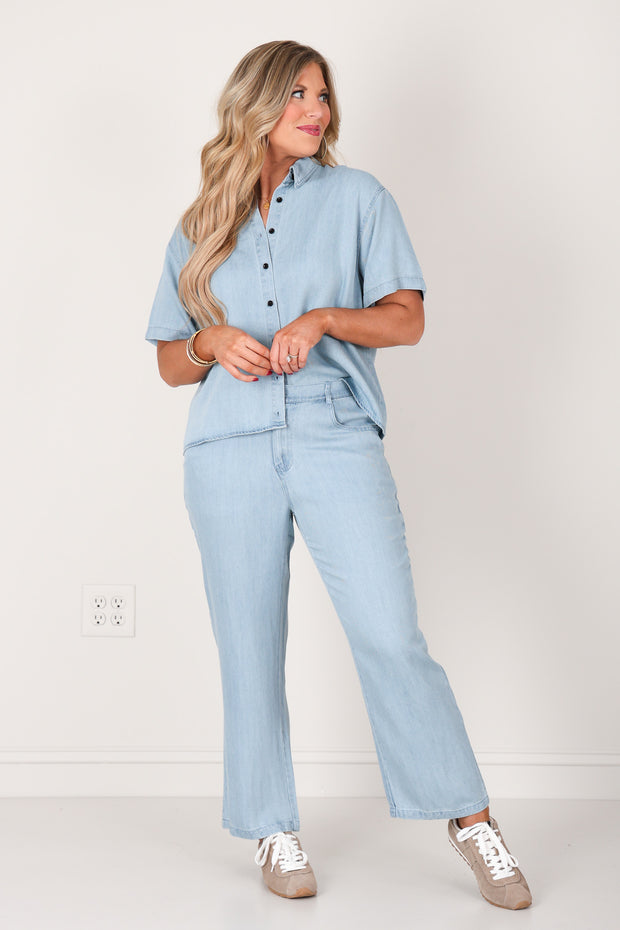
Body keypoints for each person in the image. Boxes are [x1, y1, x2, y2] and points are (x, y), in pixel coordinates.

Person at [145, 39, 532, 910]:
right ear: (255, 105)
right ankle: (270, 826)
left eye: (321, 94)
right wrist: (211, 341)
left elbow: (408, 320)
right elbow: (170, 362)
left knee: (390, 633)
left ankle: (471, 819)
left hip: (334, 432)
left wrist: (323, 318)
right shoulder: (201, 222)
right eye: (296, 94)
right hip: (227, 445)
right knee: (248, 646)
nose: (315, 110)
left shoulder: (360, 199)